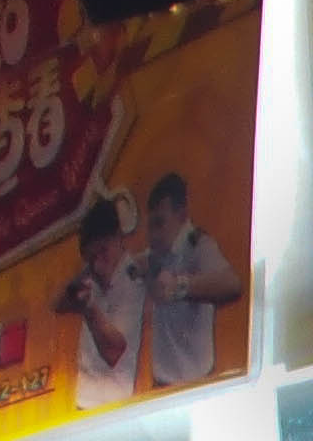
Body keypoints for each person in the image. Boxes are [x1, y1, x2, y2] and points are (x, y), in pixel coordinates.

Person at [132, 171, 242, 392]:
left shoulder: (198, 246)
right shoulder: (153, 255)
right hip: (160, 384)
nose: (152, 235)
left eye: (159, 224)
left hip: (199, 384)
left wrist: (180, 286)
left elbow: (232, 285)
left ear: (181, 217)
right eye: (150, 226)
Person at [55, 202, 141, 409]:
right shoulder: (92, 275)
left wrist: (90, 307)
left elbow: (113, 352)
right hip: (82, 403)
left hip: (114, 407)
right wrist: (86, 273)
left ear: (118, 237)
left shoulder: (133, 280)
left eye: (104, 251)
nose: (99, 263)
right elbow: (57, 305)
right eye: (92, 257)